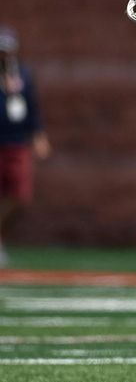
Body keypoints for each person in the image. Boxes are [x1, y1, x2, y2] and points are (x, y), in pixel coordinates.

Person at [0, 26, 51, 267]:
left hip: (17, 142)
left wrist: (38, 135)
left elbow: (31, 107)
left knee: (20, 196)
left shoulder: (22, 75)